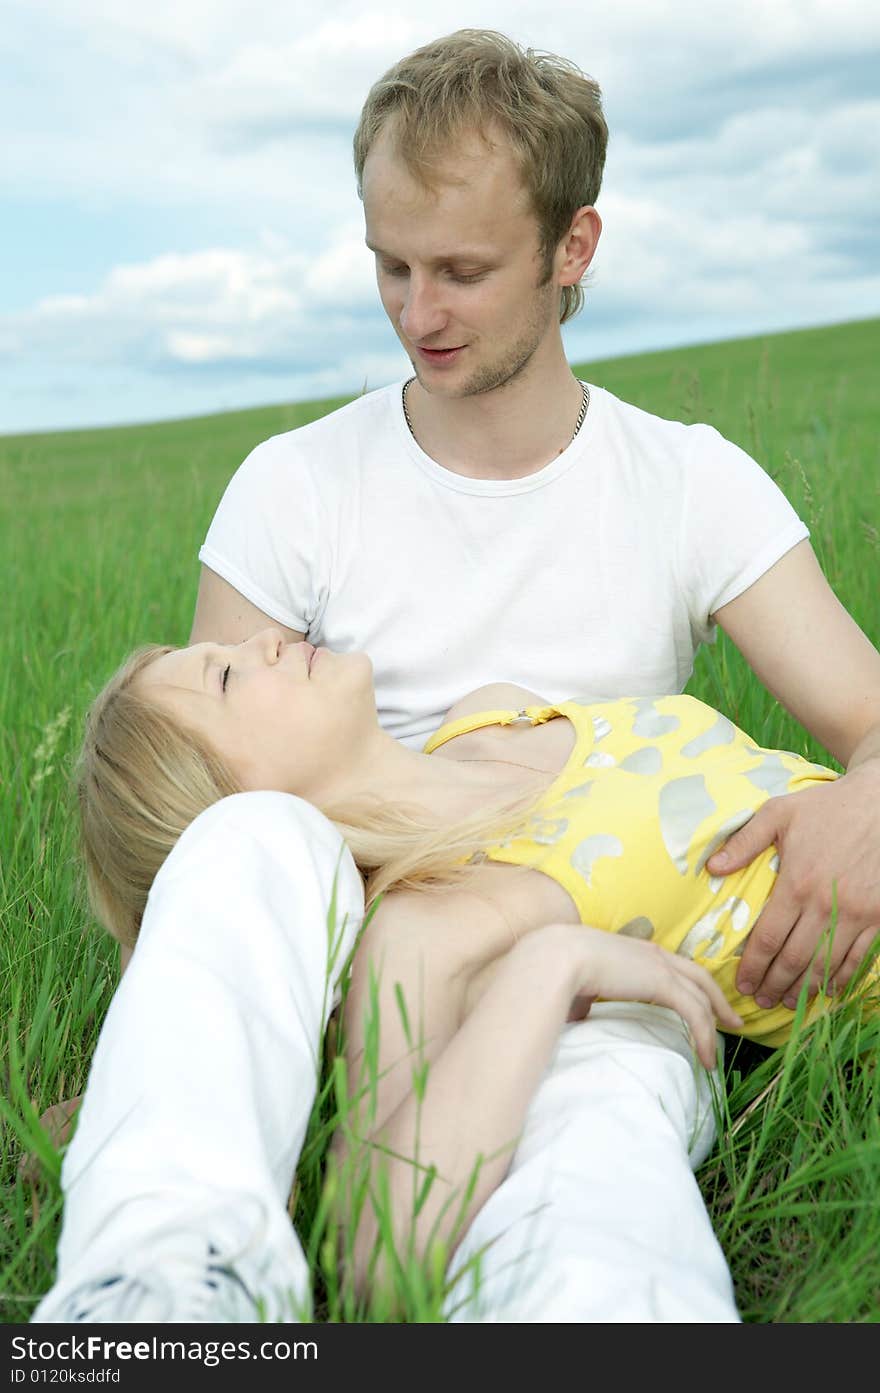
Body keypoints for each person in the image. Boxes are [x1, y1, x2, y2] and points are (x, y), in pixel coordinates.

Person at [189, 29, 880, 1016]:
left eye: (460, 271)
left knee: (611, 1106)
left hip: (618, 974)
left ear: (573, 247)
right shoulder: (292, 485)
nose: (416, 312)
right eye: (391, 265)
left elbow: (869, 718)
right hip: (378, 962)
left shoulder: (688, 482)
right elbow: (208, 813)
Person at [31, 630, 878, 1323]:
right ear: (229, 792)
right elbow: (378, 1249)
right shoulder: (432, 929)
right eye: (223, 677)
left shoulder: (491, 716)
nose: (262, 641)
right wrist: (551, 967)